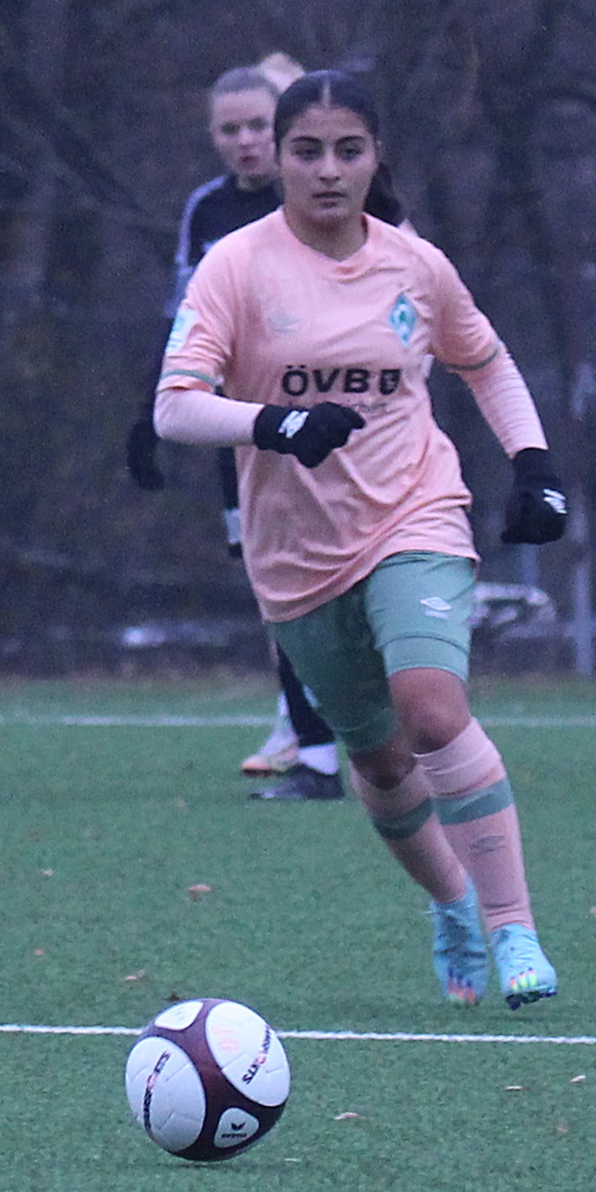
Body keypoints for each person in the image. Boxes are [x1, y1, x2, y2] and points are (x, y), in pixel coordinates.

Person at [155, 69, 572, 1008]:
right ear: (280, 160)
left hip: (414, 515)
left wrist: (534, 462)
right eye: (307, 151)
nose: (328, 171)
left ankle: (514, 929)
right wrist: (277, 424)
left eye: (349, 151)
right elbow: (174, 408)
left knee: (431, 710)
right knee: (380, 762)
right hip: (296, 560)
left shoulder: (414, 266)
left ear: (377, 157)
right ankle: (453, 903)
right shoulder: (236, 266)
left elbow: (485, 361)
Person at [126, 56, 349, 801]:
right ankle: (307, 731)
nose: (245, 141)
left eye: (258, 125)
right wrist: (150, 409)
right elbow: (185, 315)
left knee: (335, 577)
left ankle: (341, 721)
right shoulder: (207, 210)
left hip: (322, 422)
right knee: (271, 580)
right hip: (242, 428)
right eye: (230, 130)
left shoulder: (319, 198)